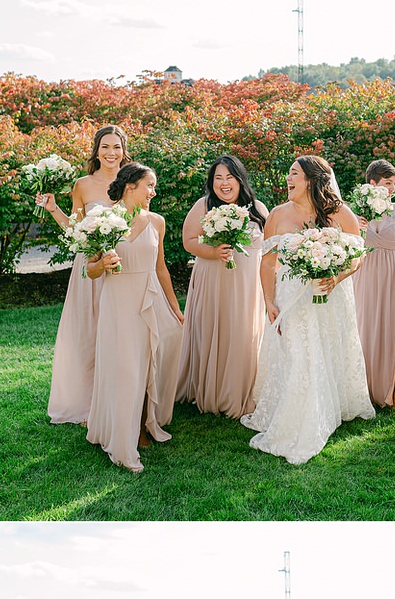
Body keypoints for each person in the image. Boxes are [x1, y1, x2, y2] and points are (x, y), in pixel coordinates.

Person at [240, 155, 374, 464]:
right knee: (300, 352)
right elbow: (268, 261)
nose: (288, 179)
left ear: (311, 180)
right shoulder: (277, 214)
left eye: (294, 174)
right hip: (291, 298)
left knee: (325, 349)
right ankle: (300, 412)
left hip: (330, 297)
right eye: (289, 173)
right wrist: (269, 300)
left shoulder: (340, 213)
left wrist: (337, 277)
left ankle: (328, 406)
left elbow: (357, 255)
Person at [85, 163, 184, 473]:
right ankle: (124, 437)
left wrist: (175, 307)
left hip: (149, 297)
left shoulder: (157, 221)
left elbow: (161, 268)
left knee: (150, 362)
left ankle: (144, 424)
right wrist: (103, 265)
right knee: (126, 367)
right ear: (130, 186)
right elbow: (90, 270)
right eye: (149, 186)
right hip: (119, 302)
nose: (153, 192)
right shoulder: (101, 219)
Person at [41, 125, 129, 425]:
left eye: (116, 147)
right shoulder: (82, 185)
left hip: (123, 263)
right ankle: (89, 406)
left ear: (124, 150)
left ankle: (118, 402)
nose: (111, 153)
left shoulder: (132, 182)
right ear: (96, 150)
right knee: (89, 335)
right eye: (105, 147)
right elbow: (76, 231)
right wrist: (54, 210)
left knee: (120, 335)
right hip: (89, 265)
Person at [175, 156, 268, 417]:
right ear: (211, 182)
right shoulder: (204, 205)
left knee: (242, 331)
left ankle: (240, 389)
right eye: (218, 178)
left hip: (247, 287)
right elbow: (189, 240)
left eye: (229, 177)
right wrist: (214, 251)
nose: (224, 184)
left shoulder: (258, 208)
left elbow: (271, 247)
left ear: (240, 179)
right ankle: (212, 390)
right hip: (213, 280)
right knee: (214, 328)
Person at [352, 160, 395, 409]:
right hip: (366, 273)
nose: (392, 189)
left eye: (394, 184)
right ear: (372, 184)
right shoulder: (356, 213)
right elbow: (348, 247)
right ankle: (364, 387)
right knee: (366, 325)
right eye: (387, 183)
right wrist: (356, 228)